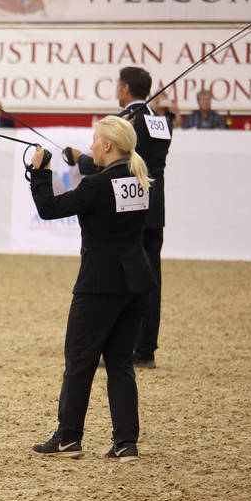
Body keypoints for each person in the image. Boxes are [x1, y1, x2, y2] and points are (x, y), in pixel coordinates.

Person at [29, 116, 156, 462]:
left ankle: (68, 437)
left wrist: (39, 173)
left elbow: (49, 208)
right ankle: (126, 442)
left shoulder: (97, 186)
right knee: (120, 364)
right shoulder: (141, 181)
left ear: (109, 146)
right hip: (137, 281)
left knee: (79, 362)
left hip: (99, 283)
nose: (92, 146)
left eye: (95, 140)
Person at [64, 66, 171, 369]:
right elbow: (154, 153)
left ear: (125, 89)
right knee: (152, 280)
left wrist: (79, 158)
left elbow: (112, 163)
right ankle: (146, 348)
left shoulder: (127, 124)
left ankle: (111, 343)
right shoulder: (162, 122)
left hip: (126, 205)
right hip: (154, 206)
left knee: (115, 276)